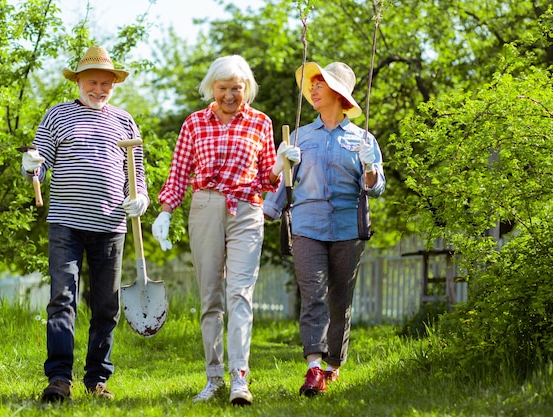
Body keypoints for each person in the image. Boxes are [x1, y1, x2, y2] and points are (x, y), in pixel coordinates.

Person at [151, 54, 299, 406]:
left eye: (237, 88)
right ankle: (213, 377)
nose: (230, 95)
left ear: (246, 88)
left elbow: (266, 179)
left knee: (240, 294)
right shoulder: (194, 124)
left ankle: (239, 379)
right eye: (223, 88)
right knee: (211, 297)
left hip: (247, 209)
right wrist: (166, 212)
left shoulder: (261, 123)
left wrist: (280, 163)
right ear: (211, 88)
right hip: (205, 207)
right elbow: (179, 172)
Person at [21, 46, 149, 402]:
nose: (99, 89)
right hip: (66, 224)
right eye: (92, 81)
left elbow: (135, 172)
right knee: (62, 298)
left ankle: (97, 379)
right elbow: (40, 160)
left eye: (106, 83)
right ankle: (59, 379)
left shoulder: (124, 121)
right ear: (78, 80)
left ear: (113, 85)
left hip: (111, 226)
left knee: (107, 304)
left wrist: (141, 199)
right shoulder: (58, 115)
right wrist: (31, 165)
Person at [263, 61, 386, 396]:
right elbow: (283, 184)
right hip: (307, 227)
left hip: (348, 229)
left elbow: (374, 187)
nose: (313, 89)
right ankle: (313, 368)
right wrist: (263, 215)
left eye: (321, 84)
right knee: (313, 296)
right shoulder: (300, 136)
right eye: (313, 84)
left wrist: (370, 166)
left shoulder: (362, 138)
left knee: (340, 301)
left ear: (339, 94)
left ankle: (333, 367)